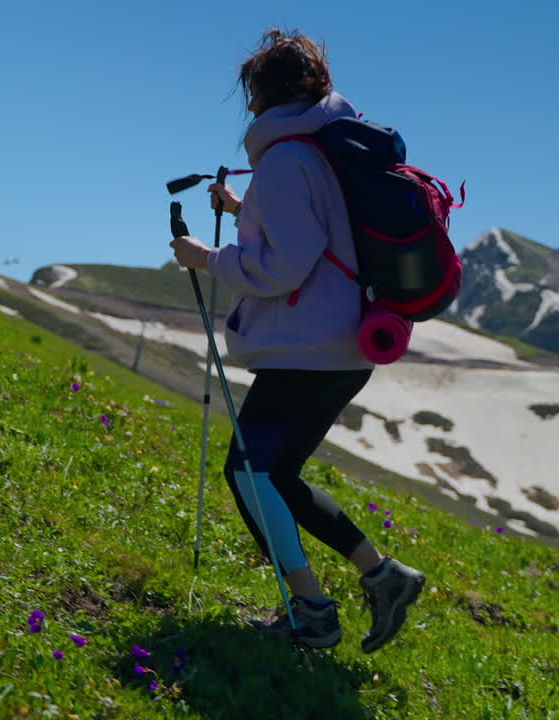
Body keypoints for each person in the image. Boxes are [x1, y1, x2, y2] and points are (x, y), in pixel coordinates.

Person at [169, 28, 425, 653]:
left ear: (262, 93)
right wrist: (243, 211)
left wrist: (208, 258)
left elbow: (287, 264)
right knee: (276, 473)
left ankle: (312, 610)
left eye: (250, 92)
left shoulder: (286, 160)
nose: (248, 106)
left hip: (307, 348)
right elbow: (322, 234)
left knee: (249, 472)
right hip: (348, 344)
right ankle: (384, 576)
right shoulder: (331, 149)